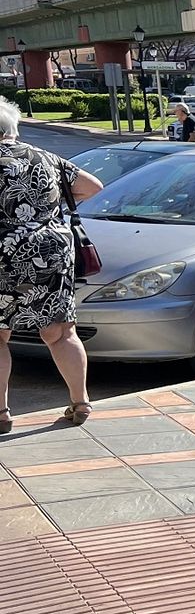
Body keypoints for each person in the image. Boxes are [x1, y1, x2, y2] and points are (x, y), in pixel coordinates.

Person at [0, 100, 104, 432]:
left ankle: (1, 414)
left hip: (3, 254)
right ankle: (80, 401)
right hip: (51, 251)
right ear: (14, 129)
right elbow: (92, 186)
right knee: (60, 332)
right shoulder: (46, 157)